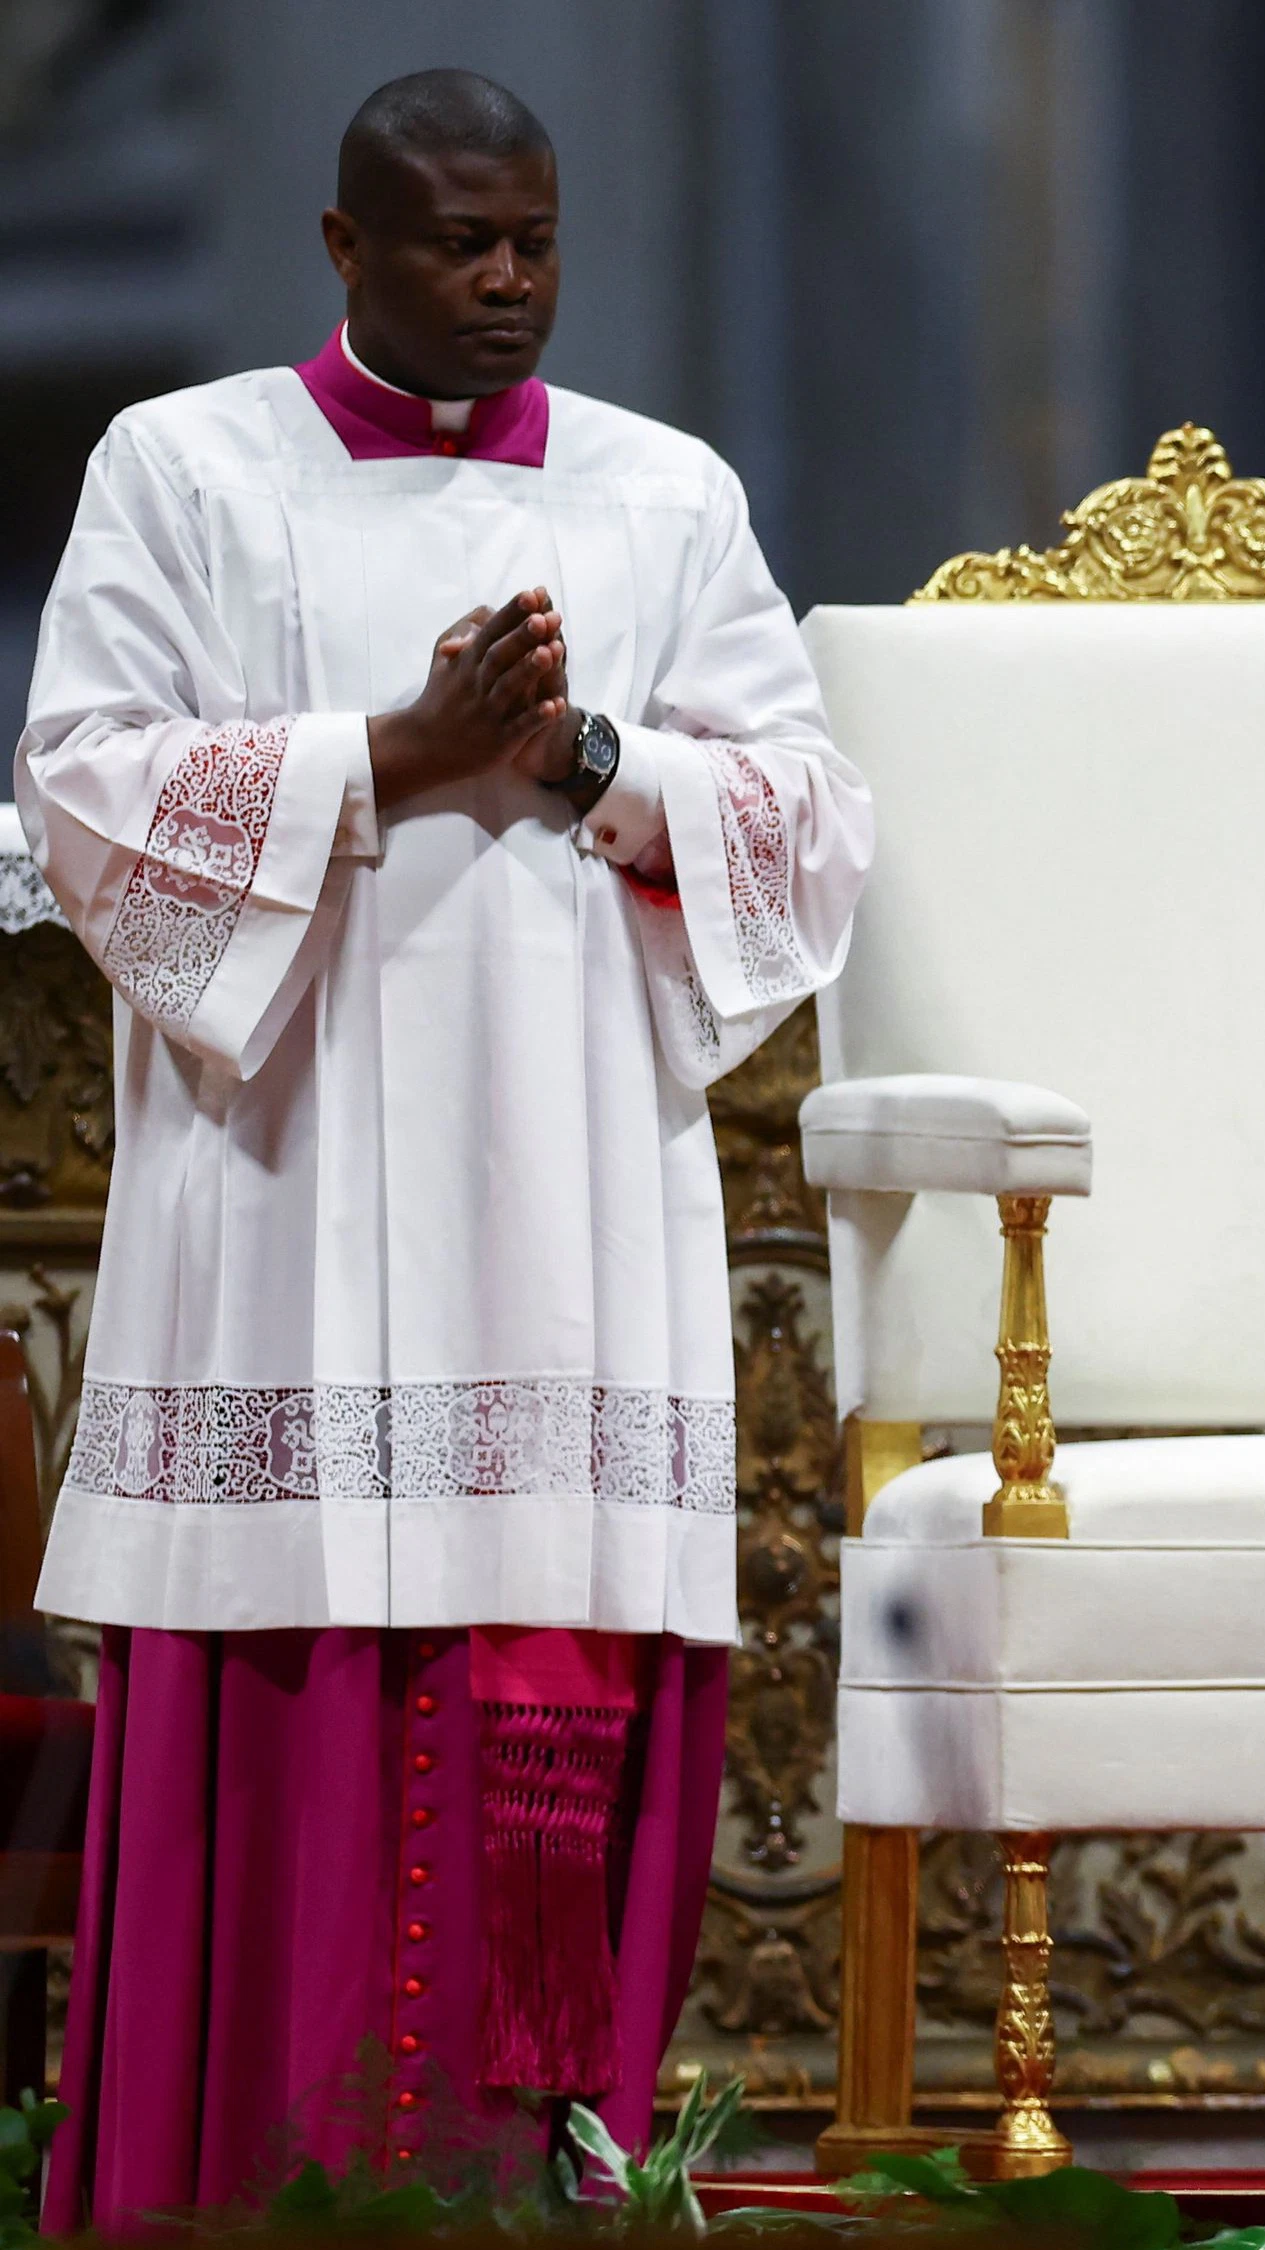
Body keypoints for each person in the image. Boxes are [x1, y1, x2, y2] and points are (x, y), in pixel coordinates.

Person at [18, 71, 868, 2222]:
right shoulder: (186, 466)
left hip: (568, 1198)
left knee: (540, 1679)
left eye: (536, 242)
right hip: (282, 1192)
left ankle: (525, 2186)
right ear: (342, 250)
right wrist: (387, 752)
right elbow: (90, 789)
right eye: (456, 244)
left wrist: (582, 755)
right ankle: (232, 2188)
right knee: (288, 1701)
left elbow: (807, 826)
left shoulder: (664, 498)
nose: (506, 283)